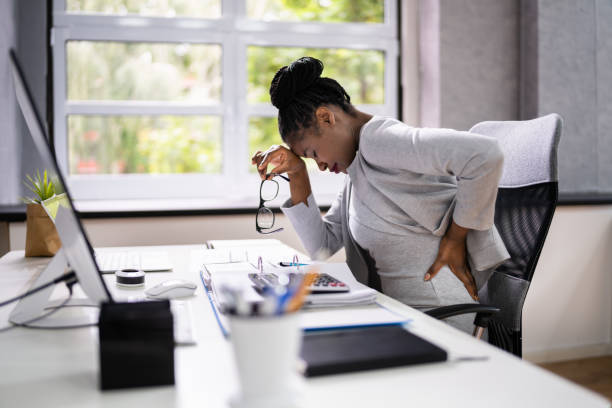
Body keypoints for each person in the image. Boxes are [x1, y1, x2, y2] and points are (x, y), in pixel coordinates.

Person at [251, 57, 509, 333]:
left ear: (326, 118)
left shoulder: (381, 140)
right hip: (396, 310)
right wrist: (298, 173)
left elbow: (484, 155)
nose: (321, 166)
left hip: (434, 315)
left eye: (313, 154)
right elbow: (320, 246)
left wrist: (456, 239)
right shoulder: (359, 169)